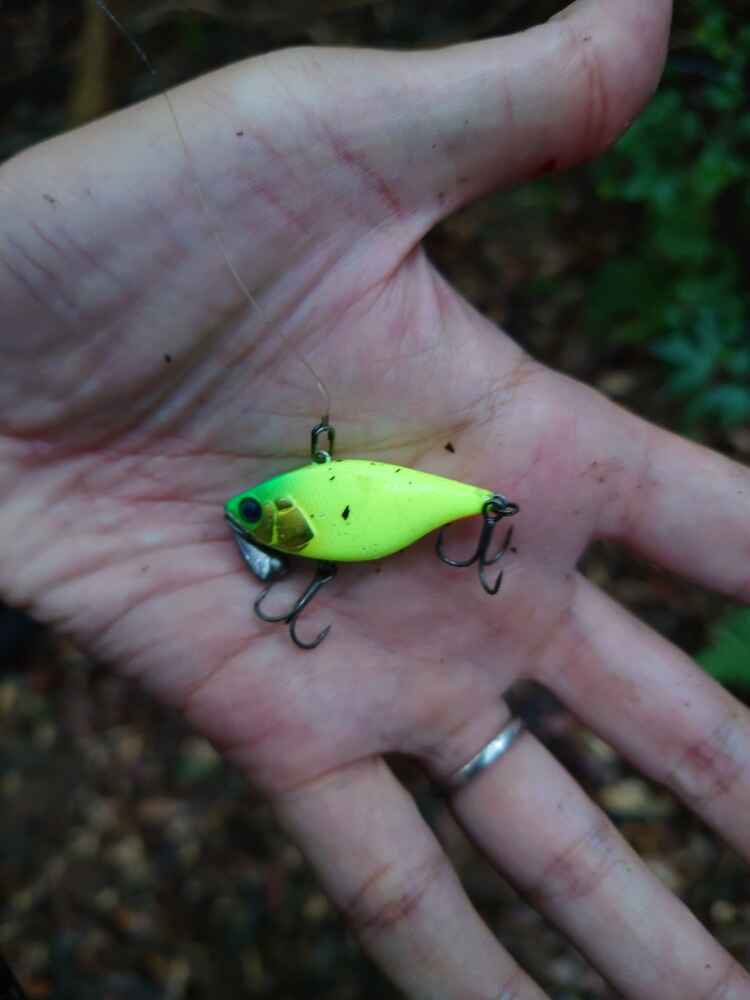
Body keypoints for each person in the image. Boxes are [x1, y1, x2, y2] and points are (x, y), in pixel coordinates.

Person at [1, 0, 748, 996]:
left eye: (256, 518)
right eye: (258, 520)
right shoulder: (285, 508)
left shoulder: (297, 508)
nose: (247, 518)